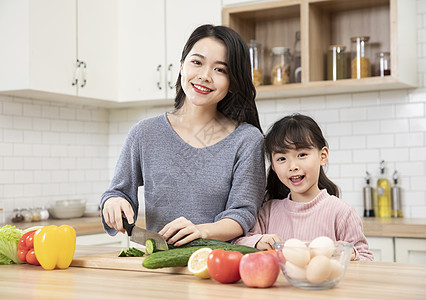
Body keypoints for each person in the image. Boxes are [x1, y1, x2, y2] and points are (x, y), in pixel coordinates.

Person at [100, 24, 266, 246]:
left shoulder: (247, 139)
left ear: (233, 83)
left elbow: (242, 214)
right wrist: (113, 201)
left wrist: (200, 231)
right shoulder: (144, 133)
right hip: (160, 265)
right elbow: (118, 192)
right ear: (181, 66)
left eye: (220, 70)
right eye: (197, 62)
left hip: (219, 267)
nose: (205, 76)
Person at [234, 113, 374, 261]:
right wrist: (257, 242)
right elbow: (238, 243)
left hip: (325, 284)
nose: (293, 166)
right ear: (273, 167)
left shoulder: (342, 213)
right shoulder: (267, 212)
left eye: (301, 155)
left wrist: (350, 254)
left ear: (323, 156)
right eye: (282, 159)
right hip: (279, 284)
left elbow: (366, 259)